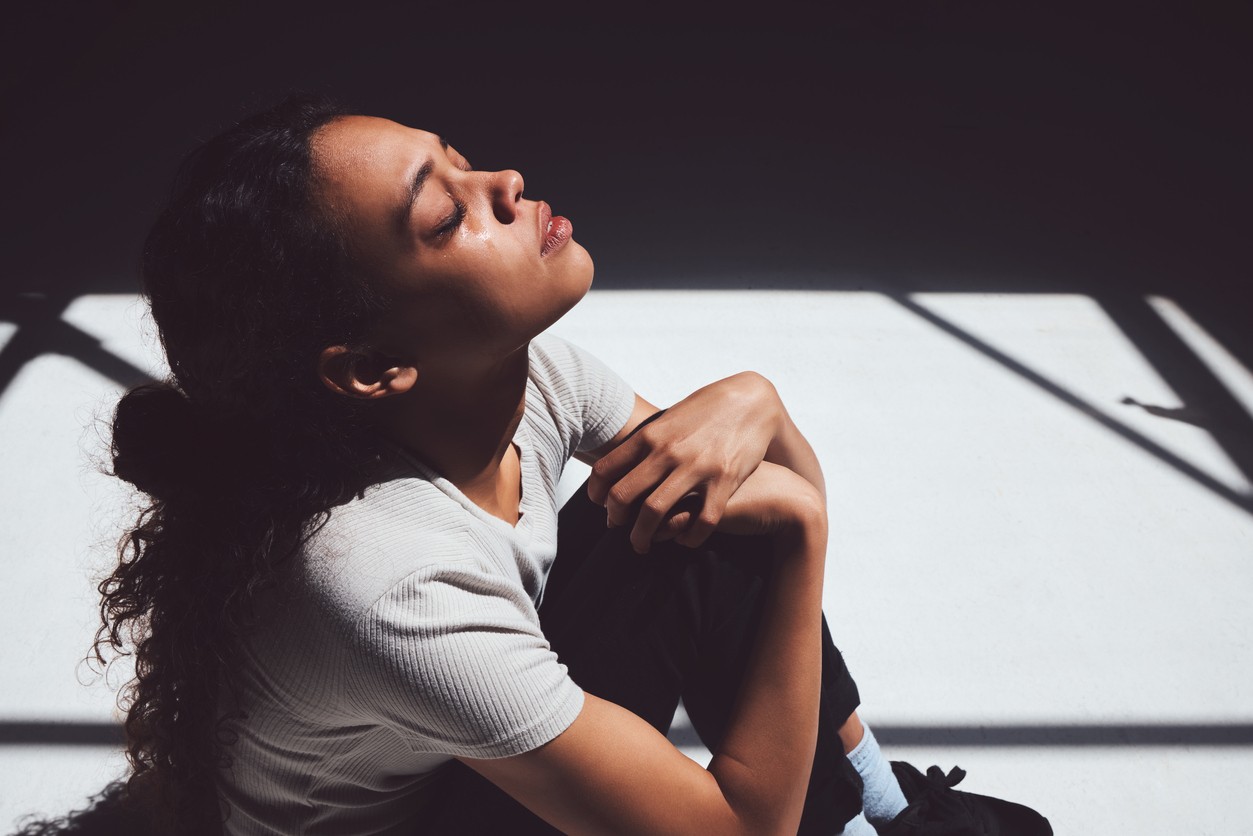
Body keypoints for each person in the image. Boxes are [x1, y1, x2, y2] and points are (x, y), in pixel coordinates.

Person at [76, 96, 1051, 835]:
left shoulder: (531, 377)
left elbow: (724, 497)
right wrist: (804, 528)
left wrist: (755, 398)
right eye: (444, 215)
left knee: (690, 510)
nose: (502, 182)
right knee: (739, 525)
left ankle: (880, 808)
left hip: (436, 751)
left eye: (458, 163)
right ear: (374, 368)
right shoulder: (386, 578)